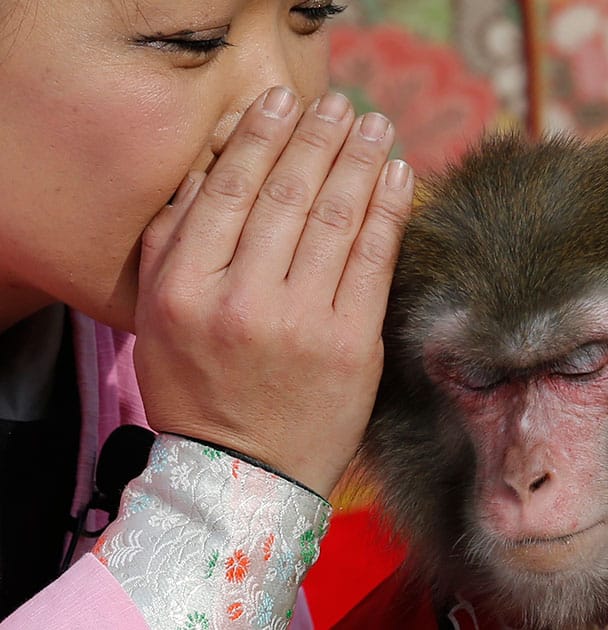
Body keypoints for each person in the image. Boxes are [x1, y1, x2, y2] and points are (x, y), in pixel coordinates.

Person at [0, 1, 413, 628]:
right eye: (189, 41)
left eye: (311, 14)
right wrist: (221, 494)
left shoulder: (187, 362)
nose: (286, 106)